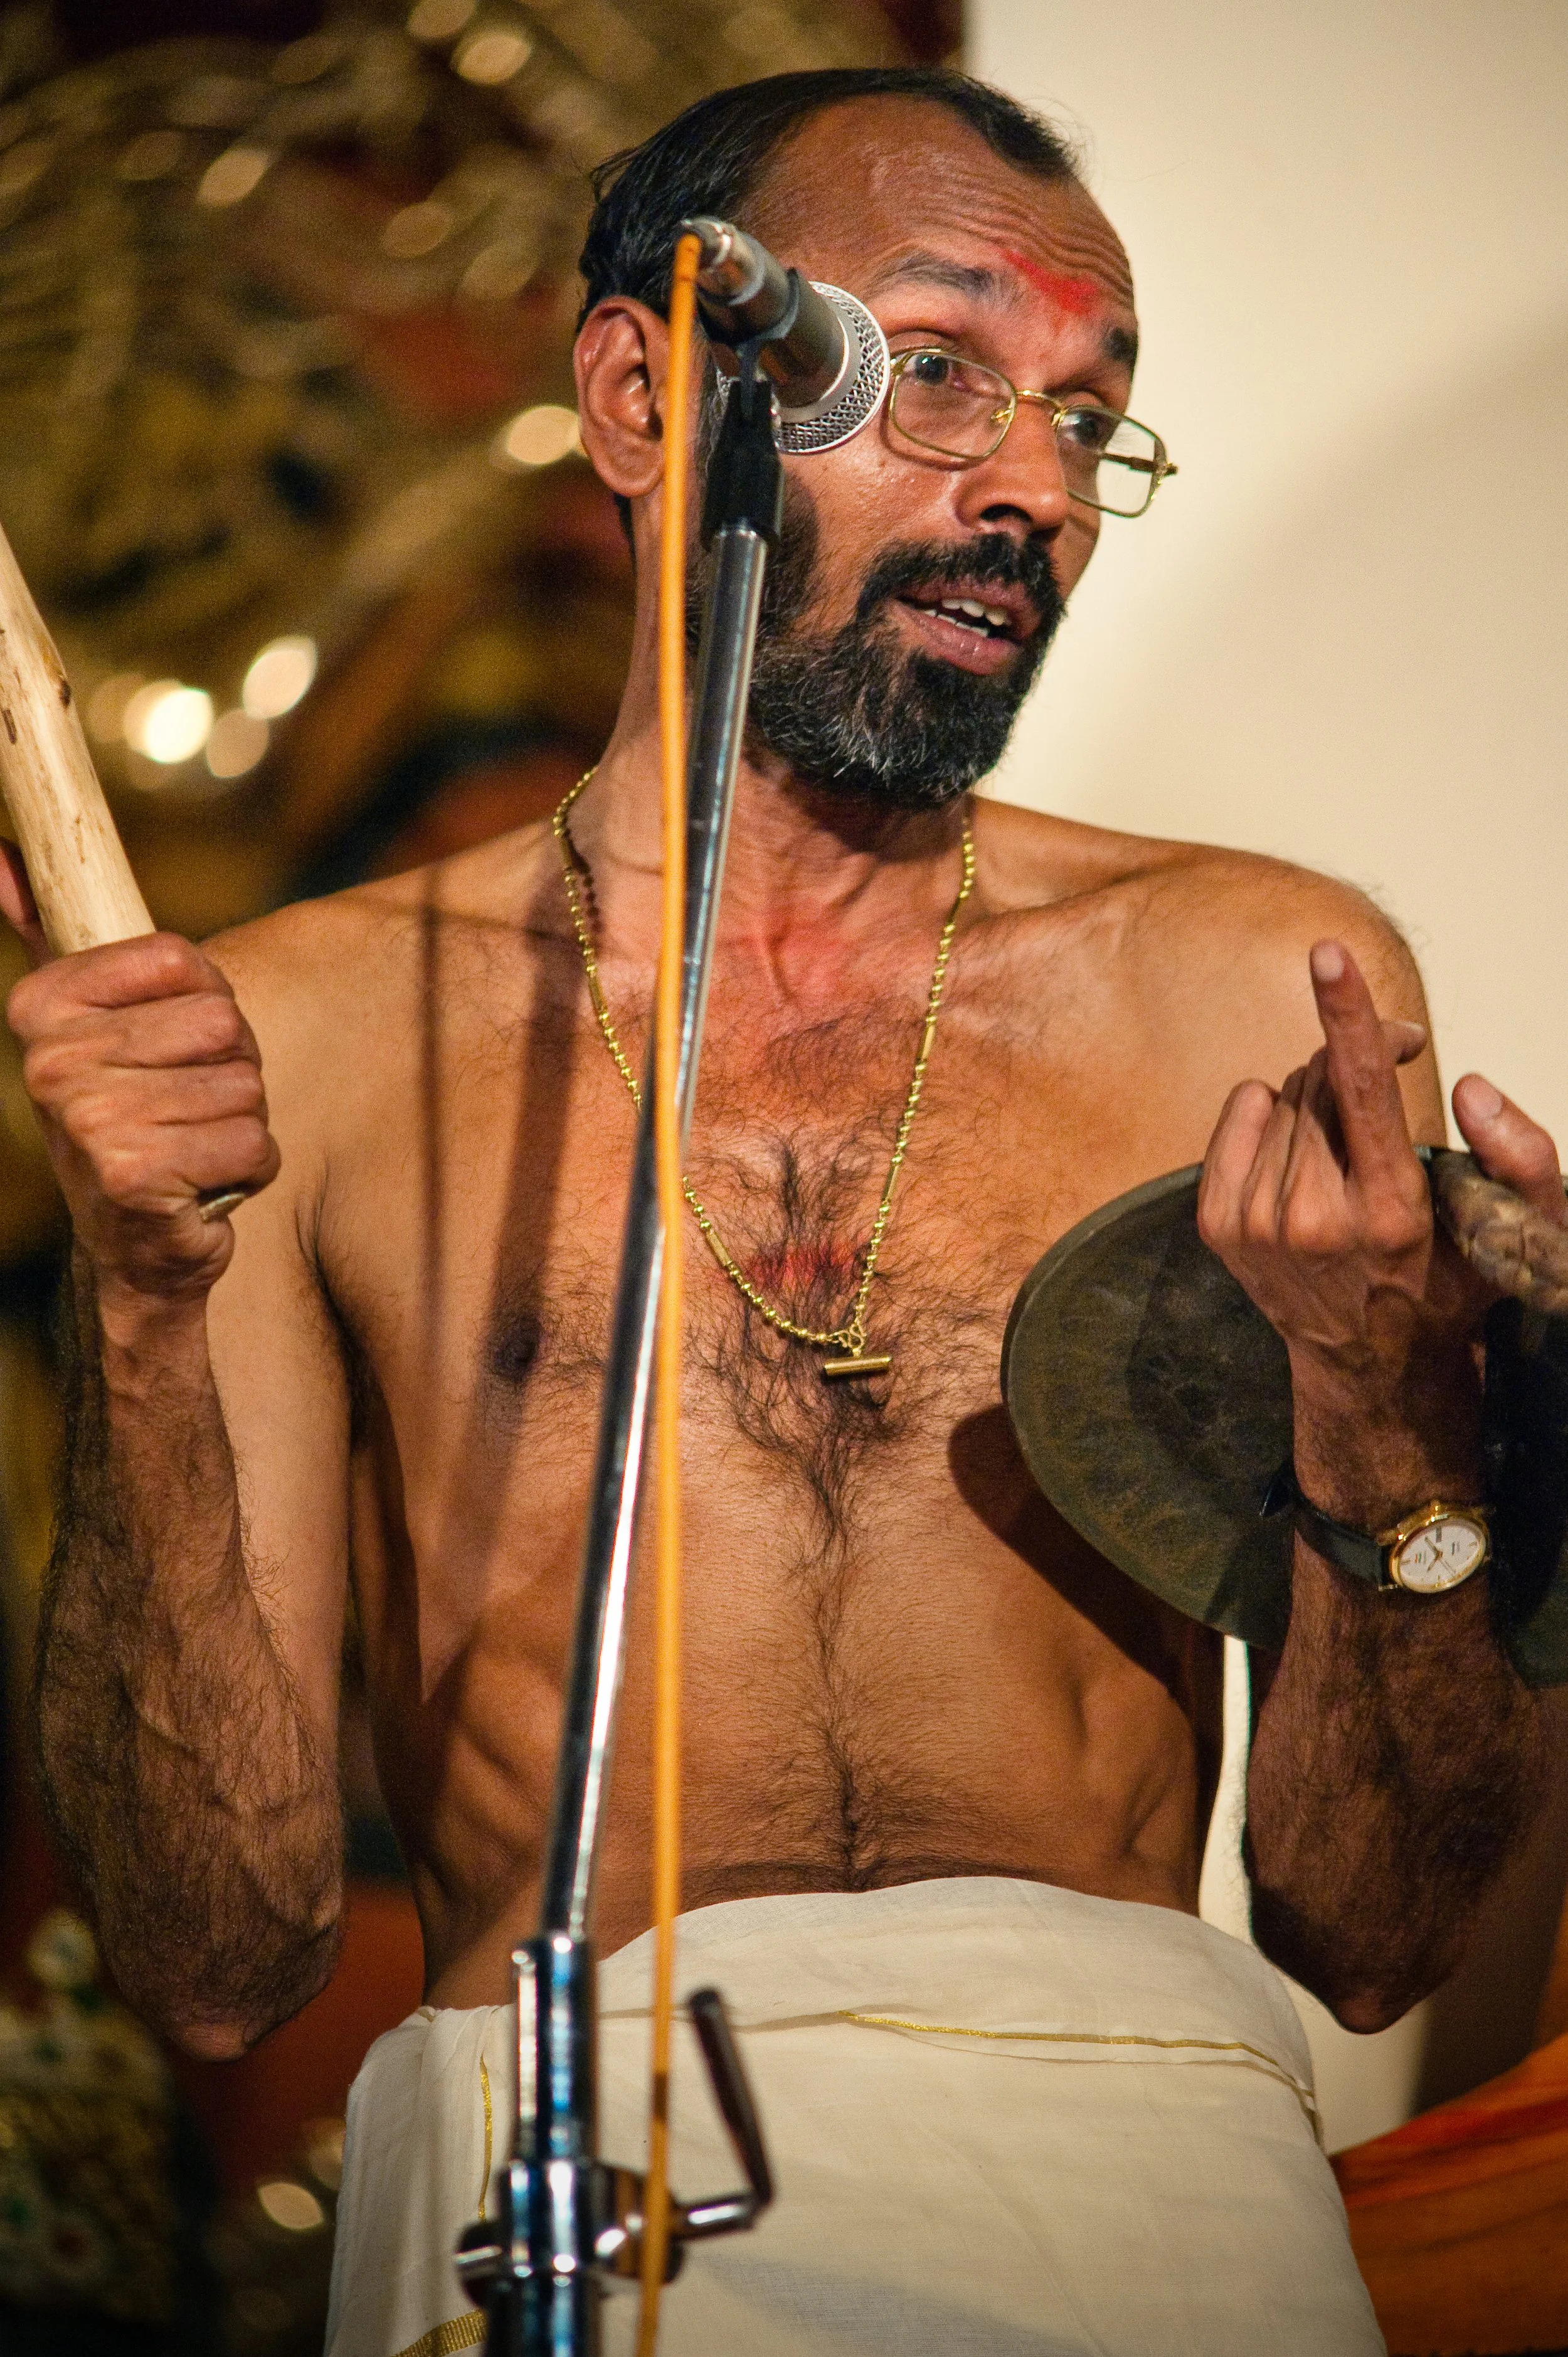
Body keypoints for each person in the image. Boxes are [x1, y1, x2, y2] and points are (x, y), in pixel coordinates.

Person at [6, 65, 1563, 2357]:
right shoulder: (307, 1036)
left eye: (1083, 418)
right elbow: (215, 1952)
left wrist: (1398, 1413)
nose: (1027, 483)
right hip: (555, 2191)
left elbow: (1370, 1925)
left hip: (1143, 2184)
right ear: (649, 394)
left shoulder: (1253, 978)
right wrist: (140, 1311)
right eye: (929, 374)